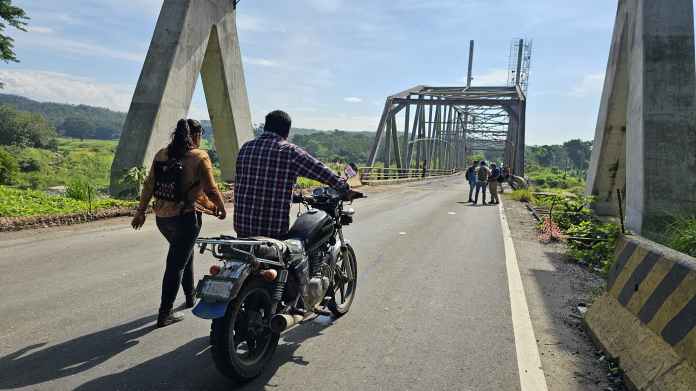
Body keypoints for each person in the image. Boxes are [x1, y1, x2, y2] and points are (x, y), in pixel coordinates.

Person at [131, 119, 227, 328]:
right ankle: (165, 313)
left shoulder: (162, 154)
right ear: (197, 135)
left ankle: (190, 296)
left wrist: (140, 212)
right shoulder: (199, 156)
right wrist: (220, 207)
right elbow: (211, 189)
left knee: (184, 253)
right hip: (185, 219)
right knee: (176, 264)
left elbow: (149, 185)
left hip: (163, 219)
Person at [234, 110, 348, 239]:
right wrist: (343, 187)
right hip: (272, 232)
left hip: (242, 228)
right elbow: (320, 171)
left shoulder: (246, 148)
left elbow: (255, 185)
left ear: (265, 127)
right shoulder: (290, 151)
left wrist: (294, 196)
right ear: (287, 132)